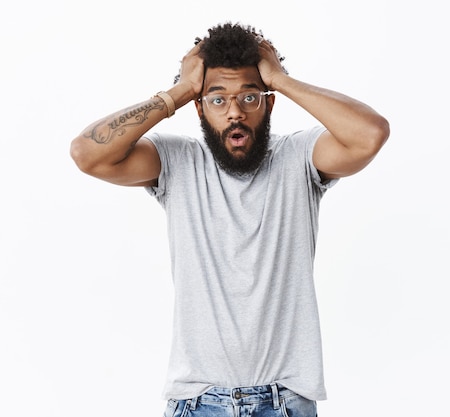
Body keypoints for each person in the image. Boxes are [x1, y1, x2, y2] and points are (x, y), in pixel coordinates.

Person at [70, 22, 389, 417]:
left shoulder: (299, 158)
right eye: (217, 100)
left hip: (285, 402)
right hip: (197, 402)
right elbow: (88, 154)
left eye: (250, 97)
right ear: (200, 108)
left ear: (269, 104)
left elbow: (370, 134)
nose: (235, 112)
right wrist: (181, 91)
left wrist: (280, 79)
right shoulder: (177, 162)